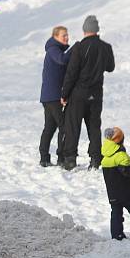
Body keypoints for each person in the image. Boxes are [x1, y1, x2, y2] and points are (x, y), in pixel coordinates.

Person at [59, 15, 115, 171]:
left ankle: (70, 159)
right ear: (97, 30)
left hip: (78, 93)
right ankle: (96, 158)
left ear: (84, 29)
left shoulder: (78, 47)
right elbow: (110, 67)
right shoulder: (106, 47)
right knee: (94, 127)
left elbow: (71, 73)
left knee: (73, 126)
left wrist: (64, 94)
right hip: (96, 94)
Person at [100, 127, 130, 242]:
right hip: (125, 192)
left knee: (116, 213)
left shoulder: (105, 157)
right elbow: (127, 172)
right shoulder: (121, 156)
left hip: (112, 193)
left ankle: (117, 236)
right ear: (120, 140)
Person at [39, 26, 71, 167]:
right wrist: (75, 49)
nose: (66, 37)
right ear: (55, 36)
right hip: (52, 96)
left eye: (67, 35)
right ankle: (61, 157)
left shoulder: (56, 49)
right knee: (64, 126)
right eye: (63, 35)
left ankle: (44, 158)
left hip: (49, 96)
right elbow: (62, 60)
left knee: (50, 128)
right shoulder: (53, 49)